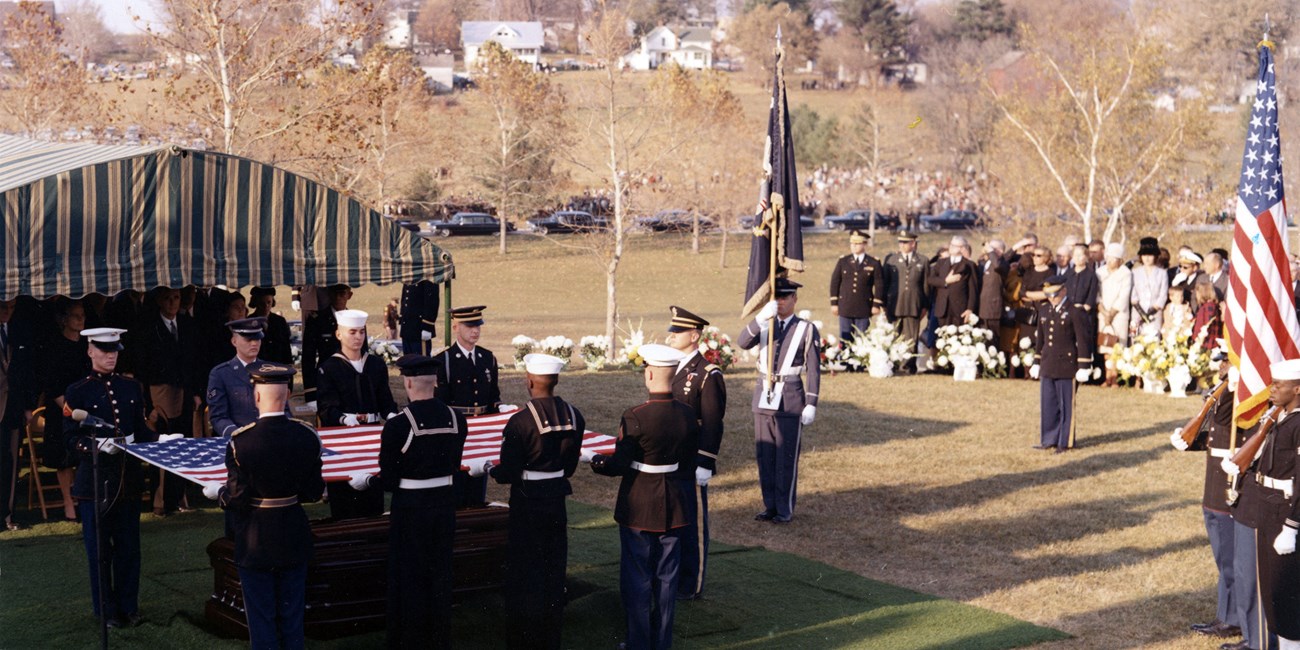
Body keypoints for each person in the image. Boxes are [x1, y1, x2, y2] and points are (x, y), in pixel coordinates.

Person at [203, 362, 324, 650]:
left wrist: (218, 493)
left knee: (261, 620)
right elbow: (313, 492)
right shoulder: (307, 436)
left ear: (256, 396)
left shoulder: (240, 442)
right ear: (289, 394)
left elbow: (237, 498)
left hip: (257, 537)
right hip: (293, 531)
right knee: (292, 616)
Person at [351, 354, 467, 650]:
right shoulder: (458, 419)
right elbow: (454, 463)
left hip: (412, 509)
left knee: (410, 578)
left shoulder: (400, 425)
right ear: (436, 382)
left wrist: (366, 481)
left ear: (408, 381)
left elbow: (389, 479)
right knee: (440, 574)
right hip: (444, 506)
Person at [589, 343, 698, 650]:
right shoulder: (688, 415)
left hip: (639, 505)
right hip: (674, 504)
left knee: (637, 579)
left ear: (649, 374)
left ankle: (638, 643)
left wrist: (597, 462)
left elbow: (620, 464)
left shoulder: (635, 416)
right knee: (666, 581)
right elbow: (688, 462)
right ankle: (661, 643)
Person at [474, 353, 583, 649]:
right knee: (553, 569)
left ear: (530, 381)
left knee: (525, 574)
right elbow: (570, 467)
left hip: (527, 503)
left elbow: (508, 472)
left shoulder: (520, 422)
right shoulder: (575, 415)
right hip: (557, 500)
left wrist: (487, 468)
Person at [65, 327, 154, 627]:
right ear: (90, 351)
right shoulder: (77, 391)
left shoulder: (132, 388)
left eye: (114, 350)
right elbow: (69, 439)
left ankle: (129, 606)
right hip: (95, 483)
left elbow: (141, 432)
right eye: (104, 350)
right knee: (100, 551)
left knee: (130, 548)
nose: (110, 356)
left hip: (127, 480)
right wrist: (95, 446)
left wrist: (163, 440)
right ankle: (106, 611)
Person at [1223, 359, 1300, 650]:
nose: (1272, 389)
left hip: (1287, 513)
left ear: (1297, 389)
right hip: (1267, 510)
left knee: (1288, 593)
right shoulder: (1277, 417)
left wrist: (1293, 526)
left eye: (1279, 385)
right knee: (1273, 595)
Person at [1170, 354, 1242, 643]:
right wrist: (1190, 442)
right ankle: (1226, 614)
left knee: (1230, 557)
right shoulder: (1224, 387)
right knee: (1222, 555)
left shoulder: (1242, 393)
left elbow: (1242, 437)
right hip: (1213, 484)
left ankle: (1233, 618)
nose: (1220, 364)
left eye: (1225, 359)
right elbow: (1216, 435)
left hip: (1228, 484)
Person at [737, 278, 821, 523]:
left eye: (785, 297)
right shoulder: (765, 323)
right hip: (764, 394)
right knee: (765, 454)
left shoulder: (806, 329)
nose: (781, 302)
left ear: (795, 299)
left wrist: (811, 403)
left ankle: (784, 508)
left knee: (785, 455)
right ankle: (769, 505)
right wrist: (759, 319)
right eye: (777, 297)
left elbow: (814, 369)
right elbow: (742, 341)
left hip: (791, 396)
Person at [663, 306, 726, 600]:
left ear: (694, 335)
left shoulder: (707, 374)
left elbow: (713, 421)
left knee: (693, 523)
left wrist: (705, 461)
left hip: (691, 460)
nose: (671, 336)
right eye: (671, 330)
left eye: (678, 331)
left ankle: (691, 583)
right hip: (668, 457)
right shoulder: (670, 366)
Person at [317, 309, 397, 520]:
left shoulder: (376, 364)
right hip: (344, 438)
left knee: (372, 492)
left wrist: (392, 417)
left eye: (361, 332)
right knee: (345, 496)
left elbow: (385, 401)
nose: (358, 337)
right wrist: (344, 418)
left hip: (371, 435)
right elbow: (326, 407)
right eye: (352, 332)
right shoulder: (329, 367)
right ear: (339, 334)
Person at [131, 288, 204, 515]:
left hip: (185, 395)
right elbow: (141, 369)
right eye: (168, 299)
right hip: (159, 394)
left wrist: (196, 392)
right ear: (159, 301)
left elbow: (195, 361)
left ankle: (180, 498)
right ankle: (160, 502)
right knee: (162, 446)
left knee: (183, 445)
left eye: (176, 298)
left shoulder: (187, 324)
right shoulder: (149, 328)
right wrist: (147, 404)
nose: (173, 303)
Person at [432, 305, 509, 508]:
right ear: (456, 327)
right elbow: (440, 402)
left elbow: (493, 394)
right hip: (457, 428)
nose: (475, 330)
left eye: (478, 325)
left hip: (482, 430)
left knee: (478, 477)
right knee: (457, 479)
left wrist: (500, 408)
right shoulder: (443, 361)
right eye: (469, 326)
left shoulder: (487, 358)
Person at [37, 298, 88, 521]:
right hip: (62, 407)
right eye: (76, 316)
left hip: (86, 408)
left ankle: (81, 496)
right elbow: (52, 383)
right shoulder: (54, 345)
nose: (80, 319)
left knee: (83, 453)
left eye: (83, 315)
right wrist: (69, 409)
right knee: (64, 458)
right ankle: (68, 501)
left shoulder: (87, 345)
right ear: (64, 319)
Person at [1029, 275, 1092, 453]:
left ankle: (1065, 441)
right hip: (1048, 364)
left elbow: (1083, 340)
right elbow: (1040, 340)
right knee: (1048, 404)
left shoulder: (1074, 311)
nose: (1051, 298)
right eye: (1048, 295)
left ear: (1064, 290)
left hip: (1067, 365)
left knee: (1066, 406)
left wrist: (1084, 366)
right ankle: (1048, 439)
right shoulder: (1044, 310)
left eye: (1054, 294)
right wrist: (1036, 361)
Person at [0, 298, 34, 531]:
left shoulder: (17, 332)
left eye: (11, 307)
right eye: (3, 307)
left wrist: (27, 406)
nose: (7, 312)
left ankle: (6, 515)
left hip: (11, 408)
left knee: (9, 462)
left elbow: (25, 371)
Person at [207, 318, 269, 438]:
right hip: (237, 439)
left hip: (269, 437)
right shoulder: (220, 374)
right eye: (248, 339)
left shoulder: (271, 371)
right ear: (234, 341)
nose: (254, 343)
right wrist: (238, 434)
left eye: (257, 338)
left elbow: (284, 411)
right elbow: (218, 417)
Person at [883, 231, 928, 373]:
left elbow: (926, 285)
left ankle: (908, 365)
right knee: (895, 335)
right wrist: (883, 304)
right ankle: (895, 364)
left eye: (905, 242)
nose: (902, 245)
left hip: (914, 304)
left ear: (913, 244)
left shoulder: (922, 260)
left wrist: (925, 306)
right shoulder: (891, 260)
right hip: (895, 304)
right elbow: (885, 283)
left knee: (911, 337)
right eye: (900, 242)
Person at [828, 230, 885, 342]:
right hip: (845, 306)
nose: (853, 246)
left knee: (862, 341)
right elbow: (835, 282)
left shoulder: (873, 262)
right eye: (852, 243)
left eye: (857, 243)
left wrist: (876, 304)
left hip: (864, 307)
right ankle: (845, 360)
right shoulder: (843, 261)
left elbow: (879, 284)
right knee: (845, 341)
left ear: (864, 244)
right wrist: (834, 304)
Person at [302, 284, 352, 406]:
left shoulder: (355, 320)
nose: (338, 298)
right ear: (328, 294)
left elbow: (363, 354)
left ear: (349, 295)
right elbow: (308, 358)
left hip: (351, 381)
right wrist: (311, 393)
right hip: (326, 381)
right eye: (334, 293)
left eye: (342, 294)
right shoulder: (317, 320)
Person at [1096, 243, 1133, 387]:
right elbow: (1097, 294)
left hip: (1118, 315)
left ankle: (1115, 377)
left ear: (1120, 260)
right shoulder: (1100, 272)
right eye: (1108, 258)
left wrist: (1111, 313)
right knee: (1105, 345)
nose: (1110, 262)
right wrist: (1104, 312)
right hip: (1103, 313)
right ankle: (1107, 376)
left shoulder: (1126, 273)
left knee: (1117, 346)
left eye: (1114, 259)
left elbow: (1124, 295)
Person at [927, 236, 979, 327]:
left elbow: (973, 289)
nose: (951, 247)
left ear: (962, 248)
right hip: (942, 309)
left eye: (955, 246)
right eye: (951, 245)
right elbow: (930, 279)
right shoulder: (941, 262)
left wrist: (970, 309)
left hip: (960, 310)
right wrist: (945, 281)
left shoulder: (969, 265)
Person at [1131, 237, 1169, 339]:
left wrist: (1150, 312)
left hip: (1155, 313)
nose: (1147, 258)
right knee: (1136, 343)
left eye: (1150, 255)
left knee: (1154, 342)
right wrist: (1142, 314)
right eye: (1144, 255)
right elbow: (1133, 295)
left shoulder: (1162, 273)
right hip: (1138, 313)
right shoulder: (1135, 272)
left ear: (1155, 256)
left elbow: (1163, 295)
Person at [248, 288, 293, 366]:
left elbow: (286, 346)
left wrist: (288, 365)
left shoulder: (280, 321)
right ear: (256, 303)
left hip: (278, 365)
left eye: (269, 302)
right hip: (257, 367)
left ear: (273, 302)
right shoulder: (249, 321)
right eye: (262, 303)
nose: (266, 306)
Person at [400, 280, 440, 356]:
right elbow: (404, 298)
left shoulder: (428, 276)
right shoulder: (409, 275)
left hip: (420, 328)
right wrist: (401, 319)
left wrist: (428, 326)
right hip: (407, 327)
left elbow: (432, 300)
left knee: (421, 362)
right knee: (408, 362)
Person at [977, 240, 1006, 334]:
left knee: (993, 338)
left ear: (1000, 251)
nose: (989, 251)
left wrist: (990, 251)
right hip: (981, 307)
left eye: (993, 249)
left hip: (993, 309)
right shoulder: (984, 262)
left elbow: (997, 265)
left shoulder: (1004, 264)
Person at [1193, 281, 1222, 345]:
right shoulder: (1208, 306)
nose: (1196, 296)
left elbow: (1207, 325)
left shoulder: (1208, 308)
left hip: (1207, 342)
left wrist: (1197, 337)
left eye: (1197, 293)